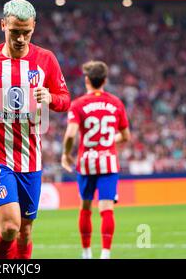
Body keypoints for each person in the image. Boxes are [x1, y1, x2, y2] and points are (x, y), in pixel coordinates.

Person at [0, 0, 71, 259]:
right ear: (3, 25)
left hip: (30, 158)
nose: (21, 38)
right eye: (15, 32)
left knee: (25, 232)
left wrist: (51, 99)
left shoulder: (46, 59)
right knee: (10, 226)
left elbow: (65, 99)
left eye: (27, 32)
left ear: (34, 27)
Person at [61, 61, 131, 259]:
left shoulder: (79, 104)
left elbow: (70, 135)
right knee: (106, 208)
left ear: (86, 80)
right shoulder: (116, 103)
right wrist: (108, 140)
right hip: (108, 162)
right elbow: (126, 136)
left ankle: (86, 252)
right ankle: (106, 254)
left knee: (85, 207)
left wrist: (66, 154)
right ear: (105, 80)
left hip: (86, 162)